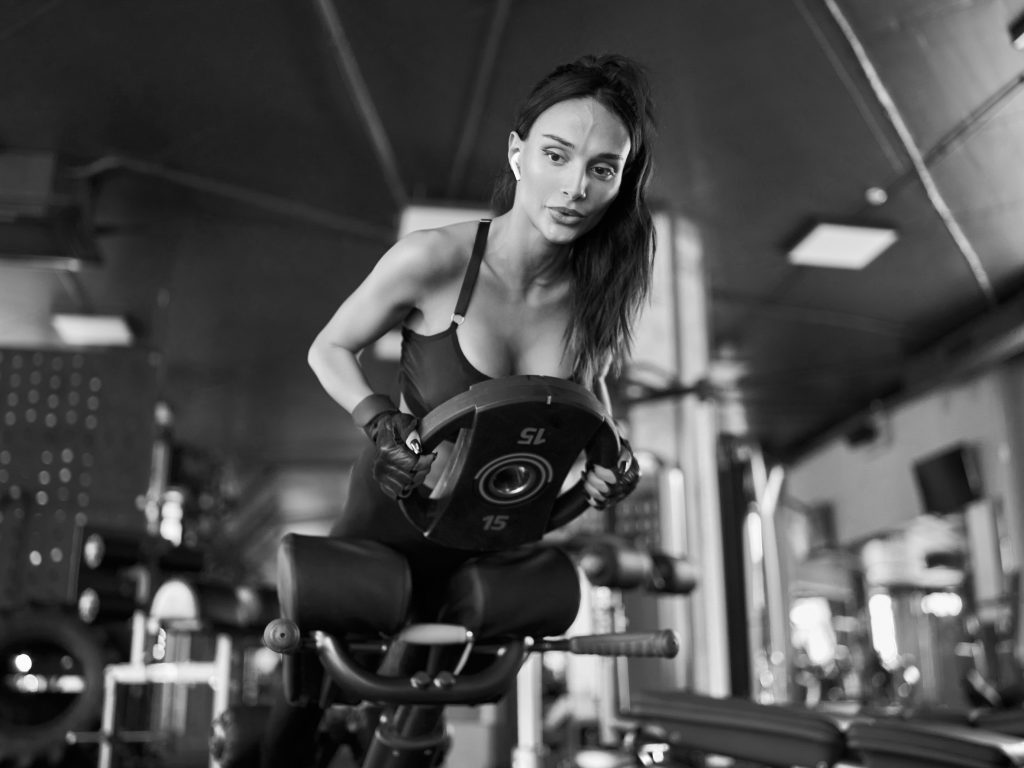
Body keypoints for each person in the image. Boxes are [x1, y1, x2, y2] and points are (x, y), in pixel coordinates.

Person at [263, 52, 657, 767]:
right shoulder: (435, 260)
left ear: (620, 181)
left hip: (495, 538)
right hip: (391, 526)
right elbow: (329, 349)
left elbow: (587, 396)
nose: (575, 187)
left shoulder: (595, 294)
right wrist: (380, 421)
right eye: (556, 156)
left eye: (602, 168)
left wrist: (607, 458)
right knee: (300, 704)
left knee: (421, 727)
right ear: (517, 154)